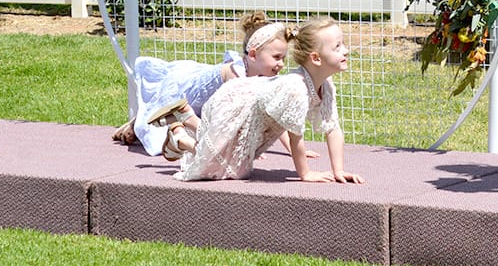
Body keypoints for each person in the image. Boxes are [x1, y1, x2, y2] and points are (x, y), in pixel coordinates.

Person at [154, 15, 365, 184]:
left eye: (343, 44)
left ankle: (184, 122)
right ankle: (181, 133)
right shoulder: (296, 88)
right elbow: (295, 136)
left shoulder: (325, 86)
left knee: (225, 157)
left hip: (250, 108)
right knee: (225, 167)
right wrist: (306, 174)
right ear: (316, 58)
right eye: (337, 47)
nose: (345, 50)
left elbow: (333, 129)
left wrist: (339, 171)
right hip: (237, 100)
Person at [111, 11, 299, 159]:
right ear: (253, 54)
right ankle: (138, 122)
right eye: (276, 58)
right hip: (187, 93)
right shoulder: (236, 76)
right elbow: (233, 119)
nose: (281, 64)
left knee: (200, 137)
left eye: (283, 58)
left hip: (204, 107)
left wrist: (292, 149)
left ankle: (139, 123)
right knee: (162, 127)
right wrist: (245, 148)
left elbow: (271, 113)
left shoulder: (260, 74)